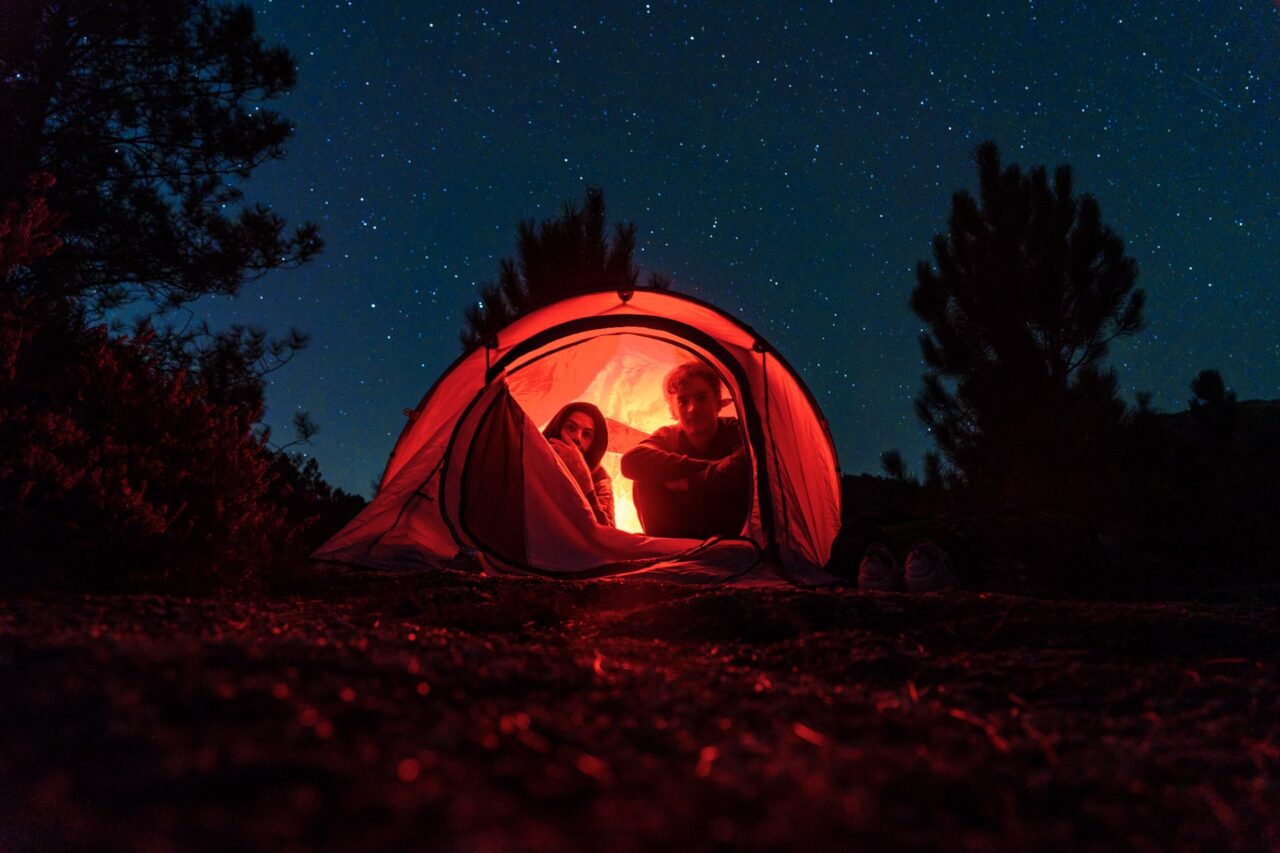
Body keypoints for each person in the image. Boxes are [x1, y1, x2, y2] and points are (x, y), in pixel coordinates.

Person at [620, 361, 750, 539]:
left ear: (717, 401)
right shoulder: (667, 435)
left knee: (749, 472)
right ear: (673, 409)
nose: (692, 409)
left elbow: (746, 465)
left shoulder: (736, 430)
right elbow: (630, 462)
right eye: (683, 401)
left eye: (702, 397)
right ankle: (662, 547)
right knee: (644, 475)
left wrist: (688, 482)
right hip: (678, 536)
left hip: (730, 532)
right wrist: (714, 467)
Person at [543, 401, 615, 527]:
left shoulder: (599, 480)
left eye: (586, 434)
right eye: (571, 428)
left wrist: (584, 482)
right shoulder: (532, 455)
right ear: (557, 428)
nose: (577, 437)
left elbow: (607, 536)